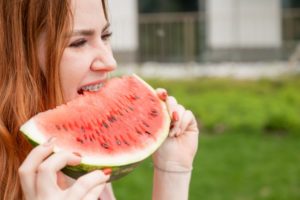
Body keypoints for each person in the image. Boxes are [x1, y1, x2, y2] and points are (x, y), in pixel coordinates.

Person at [0, 0, 199, 199]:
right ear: (17, 55)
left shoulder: (83, 166)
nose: (110, 62)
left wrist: (172, 171)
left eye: (105, 35)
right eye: (78, 42)